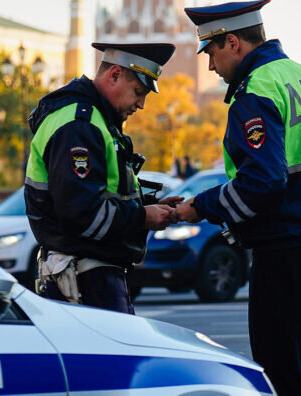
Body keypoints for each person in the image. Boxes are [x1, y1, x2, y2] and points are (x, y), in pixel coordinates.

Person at [177, 1, 301, 394]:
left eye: (212, 52)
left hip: (286, 253)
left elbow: (264, 182)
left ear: (233, 43)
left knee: (284, 374)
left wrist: (198, 207)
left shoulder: (255, 92)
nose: (210, 66)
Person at [24, 42, 183, 315]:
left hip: (87, 274)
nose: (142, 104)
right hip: (87, 279)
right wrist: (143, 217)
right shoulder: (80, 125)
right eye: (138, 92)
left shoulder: (90, 119)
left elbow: (96, 195)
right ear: (114, 75)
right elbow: (82, 214)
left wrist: (148, 207)